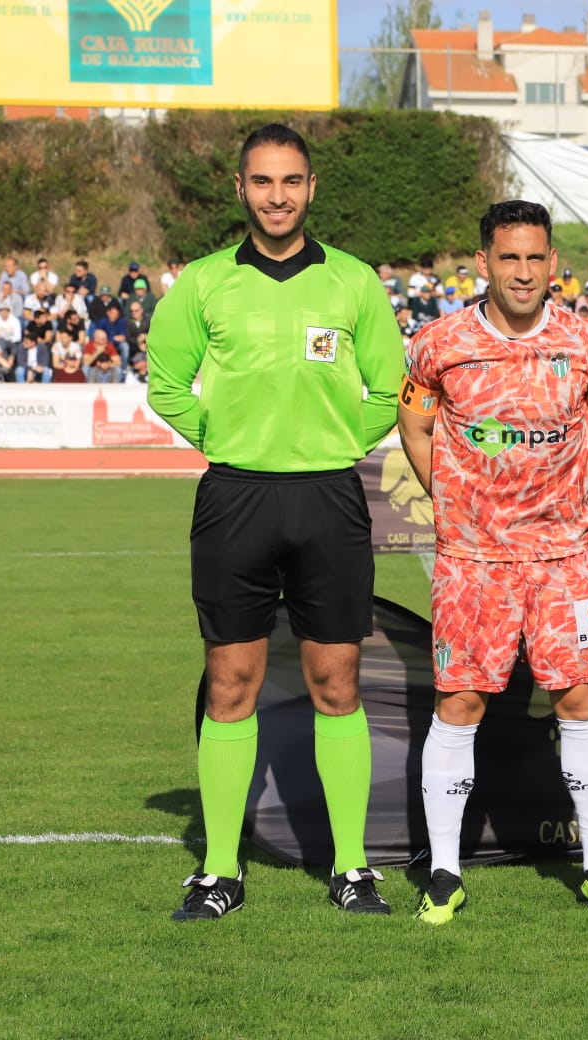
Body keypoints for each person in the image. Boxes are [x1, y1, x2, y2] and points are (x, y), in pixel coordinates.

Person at [148, 123, 405, 921]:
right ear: (240, 189)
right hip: (236, 500)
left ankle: (352, 868)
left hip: (329, 498)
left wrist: (335, 446)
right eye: (262, 181)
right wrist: (226, 441)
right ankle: (219, 871)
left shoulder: (355, 283)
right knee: (232, 684)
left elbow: (389, 391)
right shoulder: (202, 284)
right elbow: (166, 385)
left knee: (337, 681)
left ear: (311, 187)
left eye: (291, 181)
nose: (278, 196)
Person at [397, 200, 588, 923]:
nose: (524, 273)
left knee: (581, 701)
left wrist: (572, 497)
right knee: (460, 703)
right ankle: (443, 871)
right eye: (509, 259)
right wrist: (453, 497)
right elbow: (415, 420)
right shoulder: (439, 343)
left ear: (553, 264)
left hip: (566, 558)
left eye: (536, 259)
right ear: (484, 264)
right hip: (474, 561)